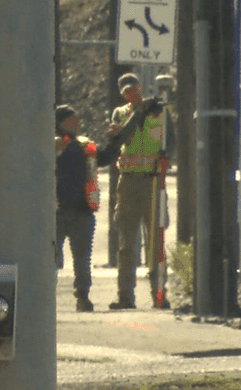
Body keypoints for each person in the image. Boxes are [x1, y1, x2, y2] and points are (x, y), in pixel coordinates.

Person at [107, 72, 169, 310]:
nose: (132, 94)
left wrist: (166, 155)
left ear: (141, 88)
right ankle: (125, 296)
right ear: (122, 94)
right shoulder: (120, 114)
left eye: (134, 89)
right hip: (129, 182)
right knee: (127, 243)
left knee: (156, 241)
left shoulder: (160, 112)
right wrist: (138, 113)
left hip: (153, 182)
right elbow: (121, 136)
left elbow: (170, 140)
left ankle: (159, 294)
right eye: (126, 92)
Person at [55, 105, 117, 312]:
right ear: (60, 122)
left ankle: (82, 296)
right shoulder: (49, 145)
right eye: (72, 120)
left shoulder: (84, 146)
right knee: (51, 258)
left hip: (82, 211)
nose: (78, 123)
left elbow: (105, 158)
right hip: (55, 212)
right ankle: (46, 297)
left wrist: (116, 140)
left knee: (82, 258)